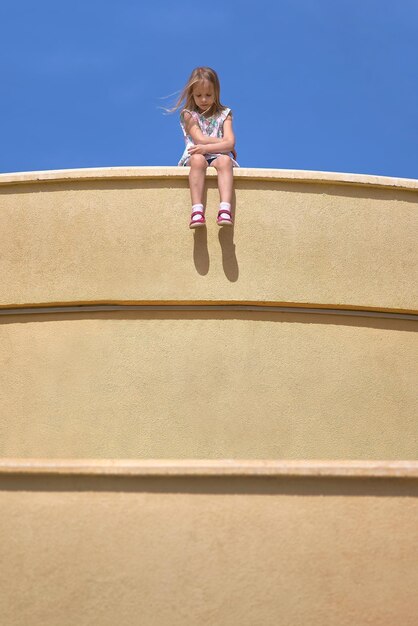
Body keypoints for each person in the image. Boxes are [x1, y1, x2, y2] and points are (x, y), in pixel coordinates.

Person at [169, 67, 239, 228]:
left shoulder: (225, 114)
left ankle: (225, 209)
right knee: (198, 160)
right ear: (192, 94)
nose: (204, 99)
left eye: (208, 95)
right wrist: (223, 143)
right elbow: (199, 139)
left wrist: (212, 147)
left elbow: (231, 143)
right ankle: (197, 210)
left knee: (225, 162)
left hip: (216, 155)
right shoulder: (188, 114)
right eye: (199, 95)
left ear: (216, 93)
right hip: (195, 155)